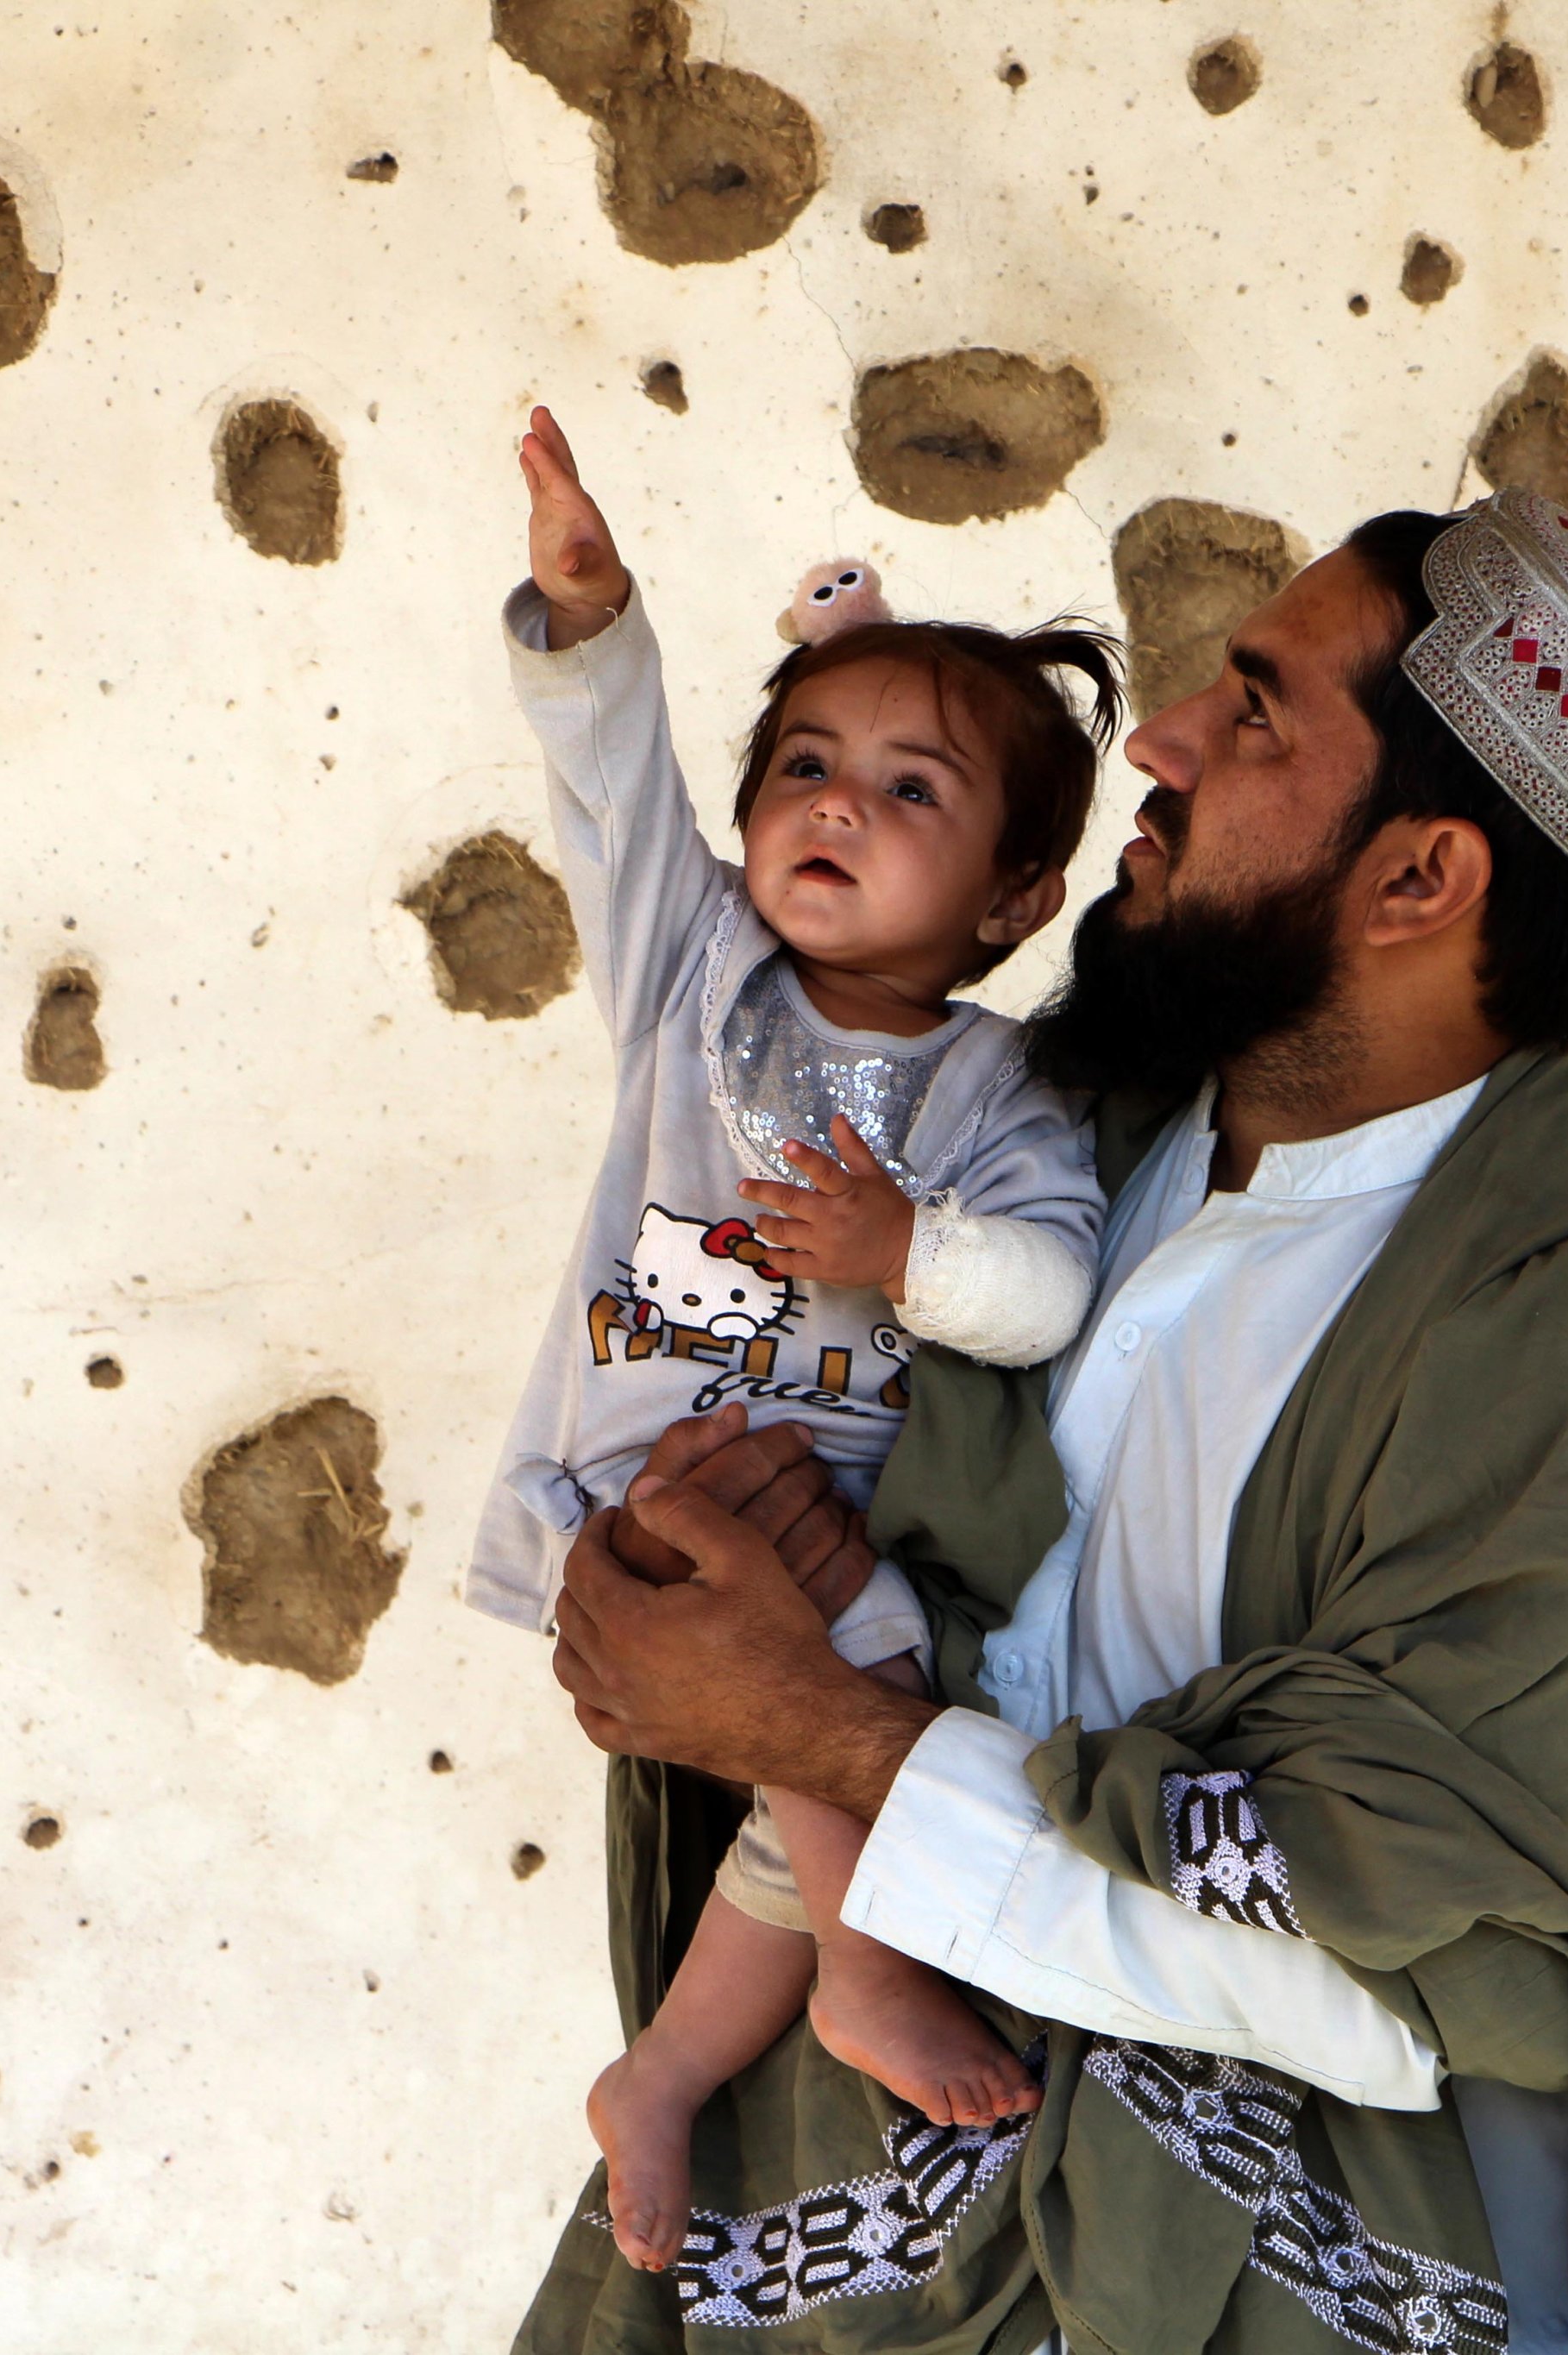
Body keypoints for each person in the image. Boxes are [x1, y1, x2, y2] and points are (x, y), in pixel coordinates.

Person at [525, 487, 1568, 2355]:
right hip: (859, 2239)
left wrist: (815, 1727)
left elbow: (1408, 1985)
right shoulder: (1036, 1147)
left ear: (1420, 881)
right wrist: (681, 1581)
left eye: (1253, 714)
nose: (1162, 745)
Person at [466, 408, 1122, 2274]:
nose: (837, 805)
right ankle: (861, 1974)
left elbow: (1049, 1287)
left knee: (835, 1736)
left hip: (826, 1508)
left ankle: (668, 2069)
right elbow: (608, 789)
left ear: (1012, 902)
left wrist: (913, 1249)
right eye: (807, 767)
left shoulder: (999, 1091)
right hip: (651, 1478)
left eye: (913, 792)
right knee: (858, 1682)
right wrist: (591, 623)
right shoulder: (696, 977)